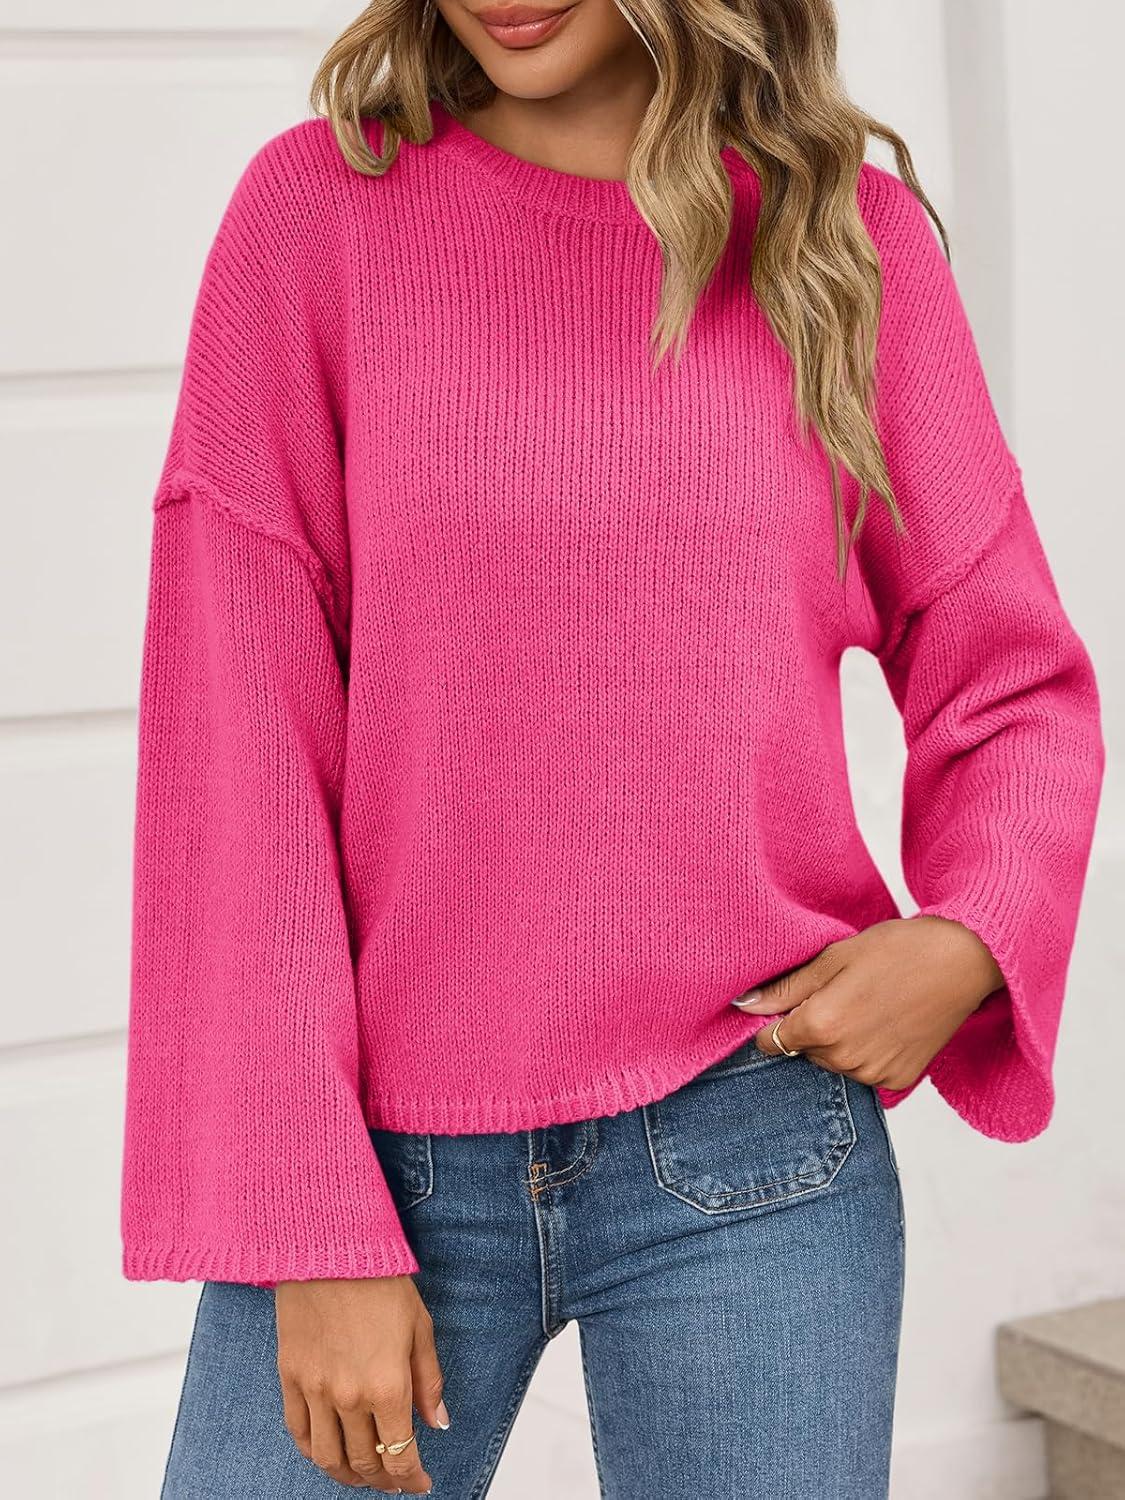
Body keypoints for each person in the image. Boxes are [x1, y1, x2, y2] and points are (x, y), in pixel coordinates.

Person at [121, 2, 1105, 1496]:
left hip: (754, 1141)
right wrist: (304, 1225)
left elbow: (1008, 672)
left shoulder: (840, 243)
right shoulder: (317, 218)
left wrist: (971, 935)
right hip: (384, 1167)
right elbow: (235, 748)